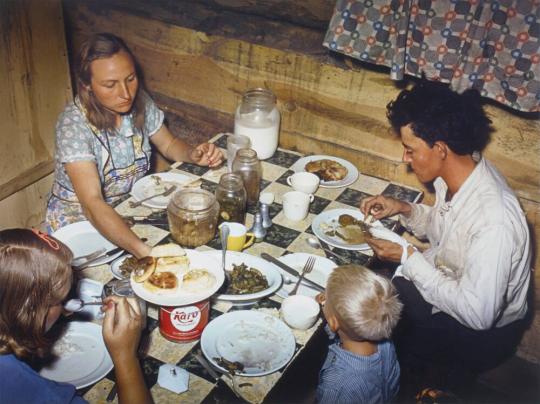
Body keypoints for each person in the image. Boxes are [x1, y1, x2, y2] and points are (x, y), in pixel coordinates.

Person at [360, 80, 532, 392]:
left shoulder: (496, 221)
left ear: (440, 149)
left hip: (482, 334)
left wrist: (407, 258)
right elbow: (446, 231)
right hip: (456, 286)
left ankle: (404, 383)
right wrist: (403, 210)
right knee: (381, 287)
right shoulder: (460, 173)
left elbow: (478, 315)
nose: (405, 159)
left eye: (410, 150)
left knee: (377, 310)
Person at [46, 33, 223, 258]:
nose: (126, 93)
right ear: (86, 85)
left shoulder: (140, 102)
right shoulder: (73, 125)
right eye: (110, 85)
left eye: (130, 78)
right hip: (78, 223)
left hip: (126, 208)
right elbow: (92, 203)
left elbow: (168, 144)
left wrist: (193, 153)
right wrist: (142, 251)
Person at [0, 228, 152, 404]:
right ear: (29, 314)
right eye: (60, 301)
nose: (68, 309)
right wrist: (125, 357)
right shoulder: (23, 386)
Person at [316, 265, 402, 403]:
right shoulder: (385, 342)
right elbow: (344, 329)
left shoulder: (337, 383)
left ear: (333, 323)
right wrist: (329, 309)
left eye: (326, 300)